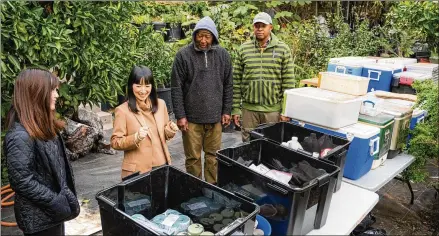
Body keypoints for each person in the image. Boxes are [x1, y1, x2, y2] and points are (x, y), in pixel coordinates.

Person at [4, 69, 80, 236]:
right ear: (36, 94)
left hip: (53, 215)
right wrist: (56, 201)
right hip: (40, 220)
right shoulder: (20, 135)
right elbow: (22, 180)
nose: (57, 95)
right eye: (52, 90)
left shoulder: (41, 126)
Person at [171, 16, 233, 184]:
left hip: (215, 118)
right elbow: (176, 88)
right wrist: (180, 115)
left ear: (213, 36)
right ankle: (194, 188)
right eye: (200, 36)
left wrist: (227, 110)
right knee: (193, 158)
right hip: (191, 120)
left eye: (207, 36)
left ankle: (212, 188)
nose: (203, 40)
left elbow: (228, 84)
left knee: (214, 157)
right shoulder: (183, 56)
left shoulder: (223, 55)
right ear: (195, 35)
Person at [232, 12, 296, 142]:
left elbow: (289, 83)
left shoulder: (282, 49)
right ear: (253, 27)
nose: (259, 29)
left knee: (272, 144)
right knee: (248, 144)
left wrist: (286, 111)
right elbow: (236, 81)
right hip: (249, 110)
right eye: (257, 26)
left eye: (263, 26)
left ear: (270, 27)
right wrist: (235, 109)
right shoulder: (244, 49)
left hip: (272, 110)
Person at [111, 65, 178, 179]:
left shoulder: (161, 104)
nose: (143, 91)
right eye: (138, 86)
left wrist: (170, 130)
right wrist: (135, 138)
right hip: (138, 171)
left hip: (161, 165)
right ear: (131, 86)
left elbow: (164, 135)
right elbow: (115, 142)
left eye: (147, 86)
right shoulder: (122, 110)